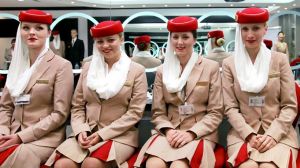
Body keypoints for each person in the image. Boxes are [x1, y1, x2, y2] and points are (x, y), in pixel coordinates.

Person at [46, 20, 147, 168]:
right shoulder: (88, 68)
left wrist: (102, 134)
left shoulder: (136, 70)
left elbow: (134, 113)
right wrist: (80, 130)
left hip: (120, 136)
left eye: (111, 40)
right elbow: (77, 106)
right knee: (62, 164)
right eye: (100, 41)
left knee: (91, 164)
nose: (105, 45)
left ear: (121, 39)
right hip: (87, 132)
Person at [134, 16, 223, 168]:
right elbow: (157, 112)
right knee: (153, 165)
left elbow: (216, 112)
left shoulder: (210, 67)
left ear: (194, 39)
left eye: (185, 37)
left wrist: (191, 133)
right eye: (175, 37)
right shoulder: (162, 70)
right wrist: (168, 131)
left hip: (199, 132)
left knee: (179, 165)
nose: (180, 42)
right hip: (169, 131)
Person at [222, 7, 298, 168]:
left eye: (256, 28)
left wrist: (273, 135)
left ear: (265, 29)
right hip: (243, 134)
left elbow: (289, 106)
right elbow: (230, 108)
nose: (250, 34)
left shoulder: (279, 60)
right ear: (239, 31)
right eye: (245, 29)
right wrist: (249, 134)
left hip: (279, 134)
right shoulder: (229, 64)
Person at [0, 9, 73, 167]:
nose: (31, 32)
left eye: (39, 28)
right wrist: (3, 130)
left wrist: (21, 137)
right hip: (11, 133)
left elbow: (60, 114)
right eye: (26, 28)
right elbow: (5, 106)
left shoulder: (61, 66)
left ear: (48, 33)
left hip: (43, 139)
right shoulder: (17, 65)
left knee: (17, 156)